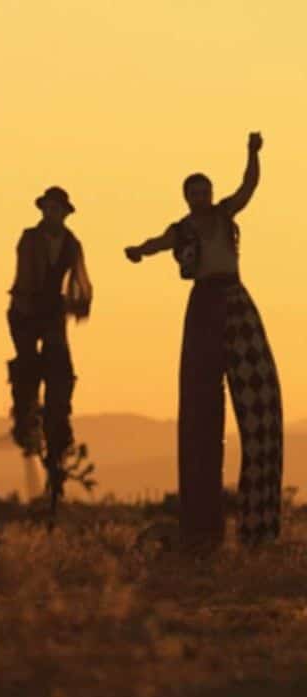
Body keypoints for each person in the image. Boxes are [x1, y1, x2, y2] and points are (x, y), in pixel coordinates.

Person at [125, 132, 280, 551]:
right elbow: (162, 242)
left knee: (263, 402)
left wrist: (251, 154)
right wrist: (140, 249)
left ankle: (259, 525)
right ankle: (201, 529)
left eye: (204, 190)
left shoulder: (227, 213)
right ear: (187, 197)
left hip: (234, 296)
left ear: (210, 193)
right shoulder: (185, 228)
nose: (201, 197)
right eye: (194, 193)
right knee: (199, 412)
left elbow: (249, 186)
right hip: (205, 304)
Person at [7, 186, 93, 505]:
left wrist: (75, 303)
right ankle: (25, 416)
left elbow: (79, 279)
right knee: (27, 370)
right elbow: (25, 275)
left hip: (52, 311)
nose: (52, 213)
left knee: (60, 376)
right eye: (49, 208)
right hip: (26, 309)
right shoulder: (29, 238)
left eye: (57, 208)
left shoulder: (72, 243)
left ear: (64, 212)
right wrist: (34, 304)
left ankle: (57, 438)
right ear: (43, 210)